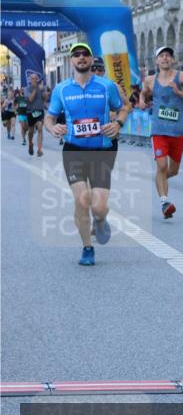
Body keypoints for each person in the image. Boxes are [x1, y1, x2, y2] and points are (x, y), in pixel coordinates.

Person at [43, 43, 128, 266]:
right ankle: (87, 248)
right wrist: (52, 128)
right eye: (76, 55)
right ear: (71, 60)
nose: (81, 57)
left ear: (91, 59)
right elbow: (49, 118)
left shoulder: (106, 86)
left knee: (98, 207)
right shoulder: (61, 89)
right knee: (82, 200)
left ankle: (100, 219)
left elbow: (123, 108)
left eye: (85, 54)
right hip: (74, 151)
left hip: (102, 151)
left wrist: (118, 123)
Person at [141, 46, 183, 218]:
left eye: (168, 55)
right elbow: (144, 93)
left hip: (178, 131)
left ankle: (160, 180)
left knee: (172, 171)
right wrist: (142, 101)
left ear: (172, 60)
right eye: (162, 56)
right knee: (162, 166)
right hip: (159, 130)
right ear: (156, 61)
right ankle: (164, 202)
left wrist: (179, 92)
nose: (165, 58)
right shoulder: (150, 80)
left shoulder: (181, 76)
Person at [24, 72, 47, 156]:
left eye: (36, 79)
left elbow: (46, 98)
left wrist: (43, 91)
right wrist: (35, 89)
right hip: (30, 112)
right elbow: (30, 99)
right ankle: (30, 143)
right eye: (33, 79)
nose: (34, 80)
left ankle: (39, 149)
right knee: (31, 131)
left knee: (40, 128)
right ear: (30, 80)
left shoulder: (41, 88)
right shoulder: (27, 89)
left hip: (40, 111)